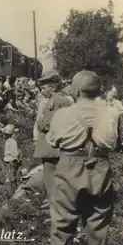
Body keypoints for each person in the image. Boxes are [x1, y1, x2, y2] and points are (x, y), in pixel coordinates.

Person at [43, 70, 120, 245]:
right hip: (100, 168)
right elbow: (116, 143)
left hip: (69, 167)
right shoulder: (112, 112)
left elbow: (52, 141)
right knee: (98, 228)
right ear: (99, 90)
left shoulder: (63, 114)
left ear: (76, 91)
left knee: (62, 227)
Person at [32, 70, 71, 210]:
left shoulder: (55, 101)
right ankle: (54, 200)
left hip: (51, 144)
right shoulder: (63, 99)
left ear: (53, 87)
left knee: (50, 173)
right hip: (57, 143)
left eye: (43, 88)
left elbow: (47, 124)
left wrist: (39, 123)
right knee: (55, 173)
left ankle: (54, 202)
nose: (41, 91)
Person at [2, 124, 20, 190]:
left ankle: (13, 189)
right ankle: (9, 188)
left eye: (5, 134)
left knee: (12, 175)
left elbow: (15, 152)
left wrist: (15, 160)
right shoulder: (8, 141)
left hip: (11, 161)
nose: (4, 135)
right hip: (8, 161)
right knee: (8, 175)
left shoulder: (12, 141)